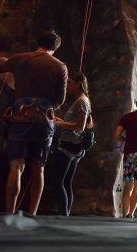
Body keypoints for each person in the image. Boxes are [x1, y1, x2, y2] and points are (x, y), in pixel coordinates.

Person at [0, 29, 67, 216]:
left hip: (19, 117)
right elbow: (60, 100)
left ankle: (10, 212)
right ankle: (33, 214)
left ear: (39, 41)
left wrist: (5, 61)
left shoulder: (20, 58)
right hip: (44, 121)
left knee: (16, 167)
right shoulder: (60, 67)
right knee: (38, 169)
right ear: (55, 47)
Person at [54, 72, 92, 216]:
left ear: (77, 83)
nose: (68, 86)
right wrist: (61, 121)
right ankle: (67, 214)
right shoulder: (82, 100)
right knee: (66, 182)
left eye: (70, 83)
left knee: (58, 182)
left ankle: (64, 215)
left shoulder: (82, 101)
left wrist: (59, 123)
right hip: (73, 147)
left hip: (69, 146)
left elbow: (79, 126)